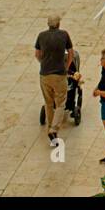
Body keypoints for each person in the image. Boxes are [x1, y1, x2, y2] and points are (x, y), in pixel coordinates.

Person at [34, 14, 74, 145]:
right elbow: (71, 53)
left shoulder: (41, 36)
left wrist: (43, 63)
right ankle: (54, 129)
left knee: (49, 103)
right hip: (59, 74)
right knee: (61, 103)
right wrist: (66, 66)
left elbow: (37, 54)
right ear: (58, 24)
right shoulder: (64, 35)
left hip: (44, 74)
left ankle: (51, 132)